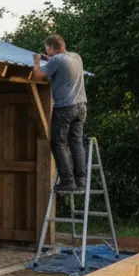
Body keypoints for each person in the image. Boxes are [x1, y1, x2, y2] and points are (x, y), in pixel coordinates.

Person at [33, 34, 88, 192]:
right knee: (76, 143)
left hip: (65, 107)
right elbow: (60, 63)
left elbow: (38, 74)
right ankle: (81, 181)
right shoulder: (76, 57)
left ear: (51, 48)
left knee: (58, 143)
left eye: (47, 49)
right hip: (81, 106)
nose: (47, 52)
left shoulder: (56, 60)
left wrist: (37, 60)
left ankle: (67, 181)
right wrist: (48, 58)